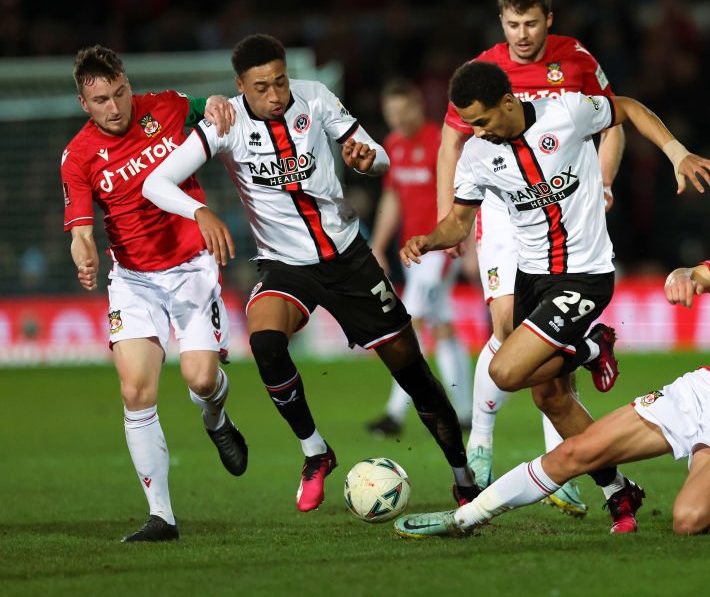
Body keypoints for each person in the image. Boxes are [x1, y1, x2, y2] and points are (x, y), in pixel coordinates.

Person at [393, 166, 710, 539]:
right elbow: (701, 273)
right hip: (706, 386)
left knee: (689, 519)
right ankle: (464, 519)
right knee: (578, 452)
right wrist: (681, 278)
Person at [142, 34, 479, 511]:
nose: (276, 94)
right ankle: (315, 451)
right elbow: (156, 182)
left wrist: (367, 160)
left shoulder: (316, 98)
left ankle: (464, 481)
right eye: (262, 87)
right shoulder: (227, 122)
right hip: (284, 266)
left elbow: (377, 155)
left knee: (414, 373)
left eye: (280, 81)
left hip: (348, 257)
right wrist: (198, 212)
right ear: (241, 86)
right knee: (264, 342)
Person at [400, 61, 710, 533]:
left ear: (508, 103)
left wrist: (676, 152)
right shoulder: (476, 155)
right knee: (551, 396)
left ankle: (592, 346)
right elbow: (460, 222)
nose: (477, 131)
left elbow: (626, 108)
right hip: (532, 278)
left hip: (586, 275)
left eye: (483, 120)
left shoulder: (566, 113)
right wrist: (430, 238)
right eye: (470, 124)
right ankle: (618, 491)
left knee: (505, 371)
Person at [436, 0, 627, 517]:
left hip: (562, 202)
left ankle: (561, 456)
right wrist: (446, 220)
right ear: (502, 22)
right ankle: (484, 442)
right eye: (512, 24)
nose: (521, 35)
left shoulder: (576, 62)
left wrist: (605, 180)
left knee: (542, 357)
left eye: (531, 23)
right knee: (506, 331)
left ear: (549, 19)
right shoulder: (485, 70)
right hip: (499, 203)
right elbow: (455, 141)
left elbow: (613, 121)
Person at [61, 45, 248, 543]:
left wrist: (213, 102)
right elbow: (80, 227)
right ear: (85, 102)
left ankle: (217, 417)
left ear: (128, 82)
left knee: (201, 380)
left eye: (120, 92)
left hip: (192, 267)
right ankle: (161, 516)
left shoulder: (165, 105)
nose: (115, 107)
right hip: (133, 279)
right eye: (101, 100)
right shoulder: (78, 156)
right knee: (134, 391)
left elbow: (206, 107)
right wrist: (83, 251)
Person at [365, 78, 473, 436]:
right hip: (413, 252)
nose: (398, 120)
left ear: (417, 106)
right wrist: (378, 245)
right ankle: (465, 411)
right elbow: (393, 198)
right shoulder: (393, 146)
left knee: (406, 321)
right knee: (441, 325)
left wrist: (468, 243)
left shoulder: (440, 142)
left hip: (440, 246)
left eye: (403, 111)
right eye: (391, 114)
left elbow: (467, 195)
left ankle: (395, 413)